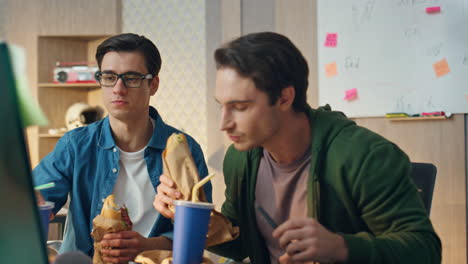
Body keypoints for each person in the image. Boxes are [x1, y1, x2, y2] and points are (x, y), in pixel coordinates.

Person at [153, 32, 441, 264]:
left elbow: (425, 250)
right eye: (222, 106)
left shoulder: (364, 156)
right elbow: (240, 242)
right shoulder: (241, 159)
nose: (224, 124)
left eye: (239, 107)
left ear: (284, 97)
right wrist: (192, 218)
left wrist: (341, 247)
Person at [33, 33, 212, 263]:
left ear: (153, 84)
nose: (118, 88)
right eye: (109, 77)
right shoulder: (75, 145)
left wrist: (145, 246)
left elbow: (197, 235)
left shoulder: (184, 149)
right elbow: (34, 200)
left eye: (131, 77)